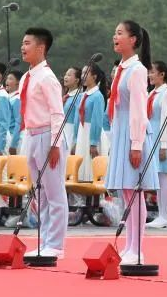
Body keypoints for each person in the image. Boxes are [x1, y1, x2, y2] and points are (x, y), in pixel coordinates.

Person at [18, 27, 70, 258]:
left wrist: (55, 144)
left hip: (48, 136)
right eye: (23, 43)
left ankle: (56, 245)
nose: (23, 47)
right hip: (32, 135)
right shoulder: (26, 77)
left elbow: (57, 113)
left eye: (27, 43)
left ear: (41, 48)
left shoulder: (48, 78)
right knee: (40, 194)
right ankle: (44, 241)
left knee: (54, 193)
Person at [147, 61, 167, 229]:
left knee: (163, 176)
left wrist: (164, 145)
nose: (150, 75)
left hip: (161, 138)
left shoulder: (166, 94)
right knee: (157, 177)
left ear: (162, 74)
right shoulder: (152, 93)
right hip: (151, 137)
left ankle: (165, 216)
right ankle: (161, 215)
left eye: (152, 72)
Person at [72, 63, 108, 183]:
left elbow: (97, 120)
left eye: (86, 73)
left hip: (91, 133)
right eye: (82, 73)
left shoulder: (97, 96)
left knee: (91, 167)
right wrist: (75, 139)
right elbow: (77, 118)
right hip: (82, 133)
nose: (82, 76)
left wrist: (93, 142)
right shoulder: (82, 95)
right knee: (81, 166)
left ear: (94, 77)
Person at [61, 66, 82, 152]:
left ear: (77, 80)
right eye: (66, 74)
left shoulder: (78, 97)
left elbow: (77, 119)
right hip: (62, 131)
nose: (65, 77)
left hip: (70, 132)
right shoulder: (65, 97)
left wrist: (76, 140)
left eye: (69, 75)